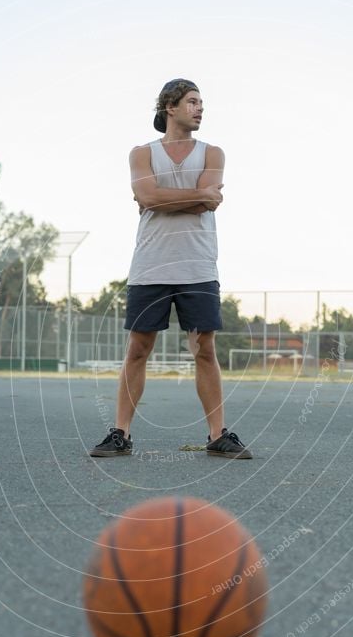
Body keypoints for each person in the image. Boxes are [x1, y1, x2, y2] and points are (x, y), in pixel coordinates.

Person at [90, 78, 252, 459]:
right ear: (170, 107)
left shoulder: (213, 153)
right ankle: (121, 434)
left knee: (204, 349)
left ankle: (217, 435)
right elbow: (154, 195)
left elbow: (197, 203)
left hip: (198, 265)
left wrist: (161, 200)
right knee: (138, 349)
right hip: (151, 265)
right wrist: (193, 196)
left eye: (201, 102)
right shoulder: (141, 153)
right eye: (192, 102)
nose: (200, 108)